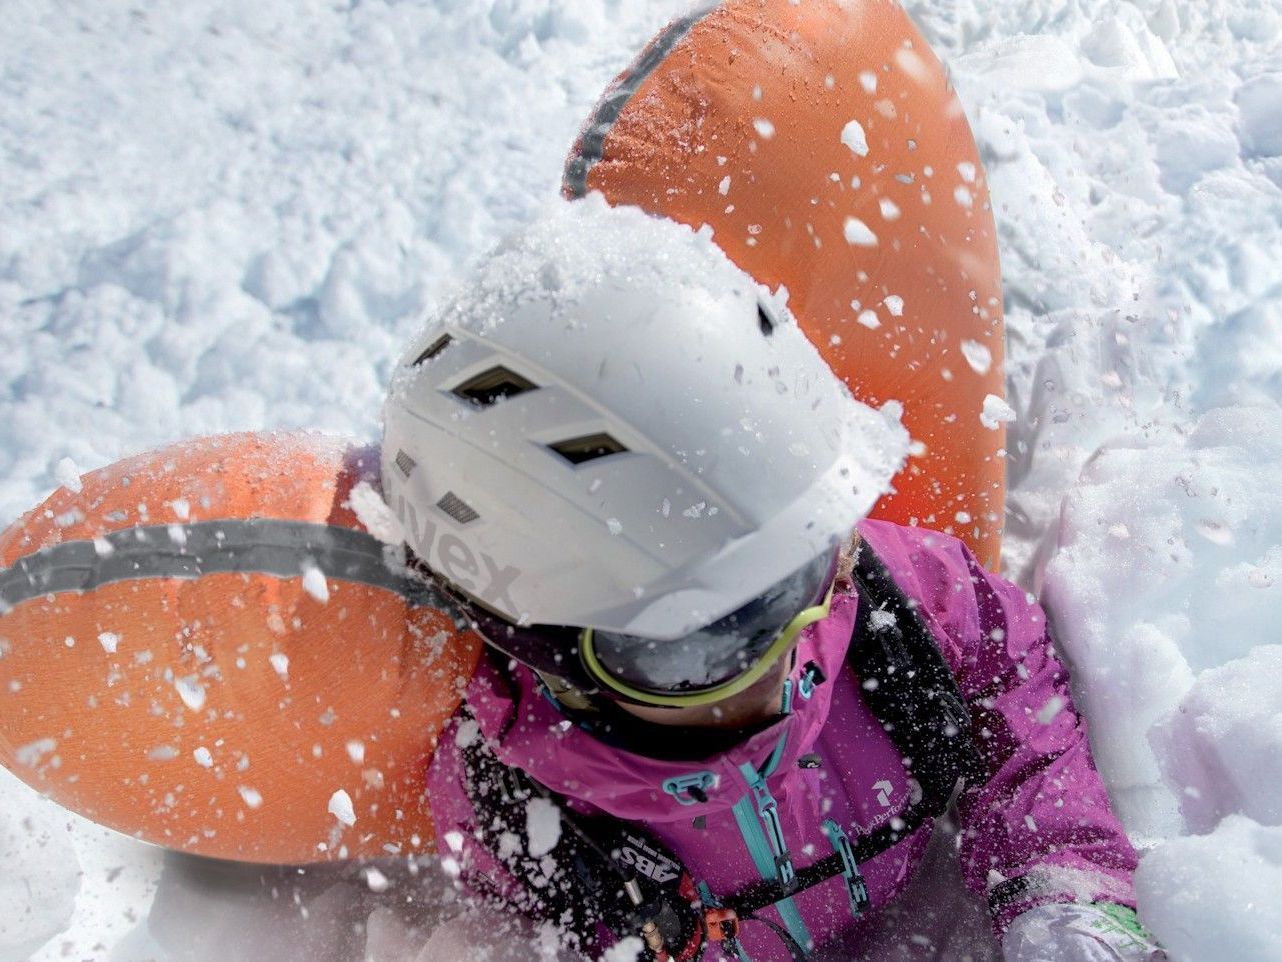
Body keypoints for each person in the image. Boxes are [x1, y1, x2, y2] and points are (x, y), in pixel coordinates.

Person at [379, 198, 1166, 962]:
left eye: (805, 562)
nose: (788, 646)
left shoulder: (893, 606)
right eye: (704, 642)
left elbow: (1007, 671)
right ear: (539, 651)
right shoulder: (525, 820)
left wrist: (1064, 883)